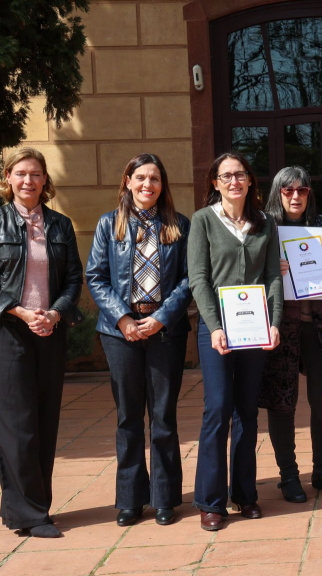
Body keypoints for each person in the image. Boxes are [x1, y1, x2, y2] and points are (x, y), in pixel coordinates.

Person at [0, 147, 83, 538]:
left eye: (35, 174)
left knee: (44, 419)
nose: (28, 181)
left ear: (45, 181)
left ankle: (36, 506)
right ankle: (26, 514)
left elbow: (72, 281)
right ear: (8, 178)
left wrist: (54, 313)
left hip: (50, 330)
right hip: (7, 330)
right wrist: (18, 311)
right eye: (21, 174)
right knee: (17, 425)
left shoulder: (61, 225)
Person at [86, 154, 192, 527]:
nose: (148, 185)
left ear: (163, 186)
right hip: (120, 333)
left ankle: (164, 497)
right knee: (128, 416)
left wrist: (161, 318)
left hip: (166, 332)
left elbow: (188, 278)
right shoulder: (107, 225)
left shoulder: (179, 226)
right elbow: (96, 277)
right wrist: (124, 318)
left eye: (156, 179)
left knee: (163, 416)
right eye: (141, 177)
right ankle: (130, 499)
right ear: (128, 180)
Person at [188, 152, 283, 530]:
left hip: (255, 326)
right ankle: (210, 501)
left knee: (246, 409)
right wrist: (213, 326)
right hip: (217, 328)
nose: (233, 181)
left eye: (240, 174)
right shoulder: (203, 221)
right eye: (225, 176)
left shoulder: (265, 223)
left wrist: (275, 322)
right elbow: (198, 278)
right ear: (214, 182)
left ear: (249, 181)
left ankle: (244, 494)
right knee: (218, 408)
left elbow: (274, 276)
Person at [260, 166, 322, 503]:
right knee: (282, 404)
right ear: (278, 193)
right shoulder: (265, 229)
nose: (296, 196)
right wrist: (271, 270)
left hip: (320, 328)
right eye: (288, 191)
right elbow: (250, 275)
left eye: (302, 190)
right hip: (281, 329)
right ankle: (288, 476)